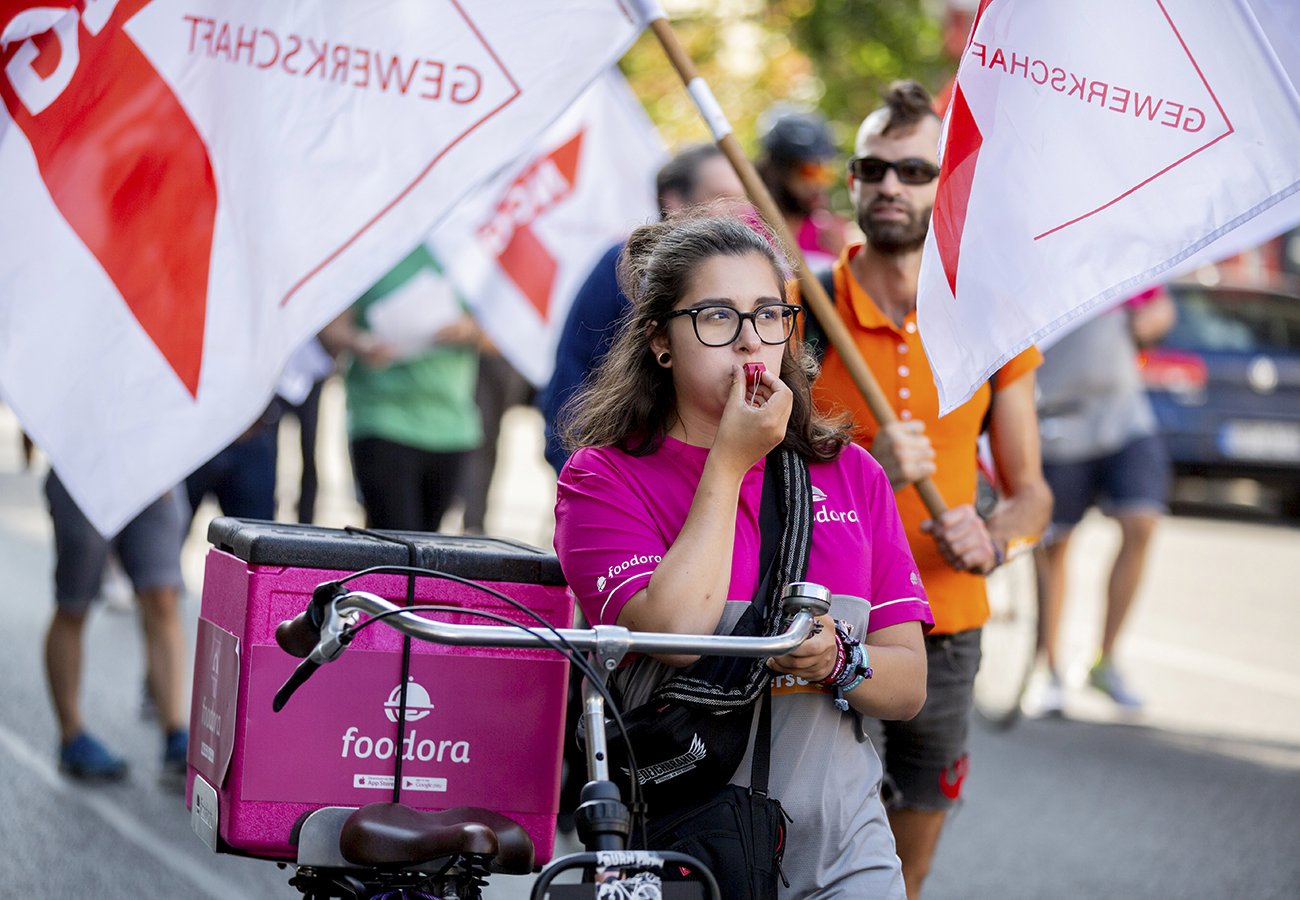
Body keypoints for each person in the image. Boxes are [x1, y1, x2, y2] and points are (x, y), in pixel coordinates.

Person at [553, 214, 933, 897]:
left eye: (767, 314)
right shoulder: (601, 478)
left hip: (842, 846)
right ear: (660, 341)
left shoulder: (852, 473)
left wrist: (838, 658)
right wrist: (729, 464)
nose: (750, 340)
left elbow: (906, 687)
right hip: (683, 844)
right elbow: (673, 634)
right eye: (716, 317)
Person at [805, 81, 1052, 898]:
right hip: (815, 621)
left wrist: (998, 538)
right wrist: (864, 443)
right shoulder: (804, 308)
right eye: (871, 167)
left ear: (945, 188)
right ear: (852, 182)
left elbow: (1030, 498)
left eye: (914, 171)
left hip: (944, 629)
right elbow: (749, 453)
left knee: (908, 864)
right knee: (804, 841)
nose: (889, 186)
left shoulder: (988, 317)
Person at [539, 144, 747, 473]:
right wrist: (581, 473)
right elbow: (571, 378)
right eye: (721, 198)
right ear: (675, 201)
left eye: (743, 198)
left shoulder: (757, 276)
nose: (738, 212)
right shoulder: (620, 269)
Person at [1033, 286, 1176, 713]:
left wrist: (1157, 318)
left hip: (1123, 416)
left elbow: (1160, 301)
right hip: (1057, 420)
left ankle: (1105, 659)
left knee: (1142, 522)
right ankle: (1049, 669)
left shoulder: (1111, 247)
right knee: (1053, 545)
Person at [320, 246, 482, 532]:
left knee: (427, 546)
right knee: (395, 542)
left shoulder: (462, 245)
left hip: (451, 425)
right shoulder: (372, 244)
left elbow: (509, 336)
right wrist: (360, 342)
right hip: (383, 418)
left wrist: (468, 330)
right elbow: (330, 328)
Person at [43, 471, 189, 782]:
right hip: (85, 473)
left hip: (153, 474)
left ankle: (175, 733)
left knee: (163, 598)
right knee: (73, 605)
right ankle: (72, 736)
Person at [755, 107, 850, 272]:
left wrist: (845, 258)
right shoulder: (746, 226)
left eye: (824, 172)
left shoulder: (829, 235)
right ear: (777, 171)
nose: (818, 184)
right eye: (808, 171)